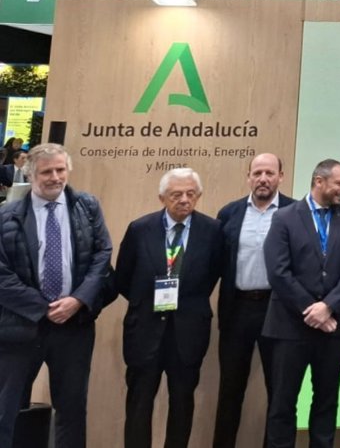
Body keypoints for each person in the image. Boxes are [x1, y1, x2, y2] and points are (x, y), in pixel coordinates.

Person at [0, 143, 113, 448]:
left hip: (74, 327)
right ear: (30, 174)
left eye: (60, 170)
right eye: (46, 171)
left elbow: (102, 255)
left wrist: (78, 300)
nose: (55, 177)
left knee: (72, 411)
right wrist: (43, 307)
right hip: (20, 327)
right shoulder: (7, 215)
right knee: (5, 411)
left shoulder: (87, 207)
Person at [115, 167, 223, 448]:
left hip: (188, 332)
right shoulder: (140, 229)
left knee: (182, 404)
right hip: (144, 330)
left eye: (191, 194)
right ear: (162, 198)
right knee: (138, 404)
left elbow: (213, 274)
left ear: (198, 196)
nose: (184, 200)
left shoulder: (212, 231)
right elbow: (123, 278)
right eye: (176, 195)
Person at [263, 159, 340, 448]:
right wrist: (312, 309)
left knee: (326, 402)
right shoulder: (285, 217)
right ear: (319, 181)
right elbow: (278, 271)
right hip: (290, 327)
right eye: (339, 183)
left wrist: (328, 306)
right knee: (282, 403)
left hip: (334, 328)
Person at [213, 153, 295, 447]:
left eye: (269, 173)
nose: (263, 179)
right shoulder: (229, 213)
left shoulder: (295, 212)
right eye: (257, 173)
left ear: (280, 177)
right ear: (248, 177)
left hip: (279, 312)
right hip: (237, 310)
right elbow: (215, 263)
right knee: (230, 390)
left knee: (280, 392)